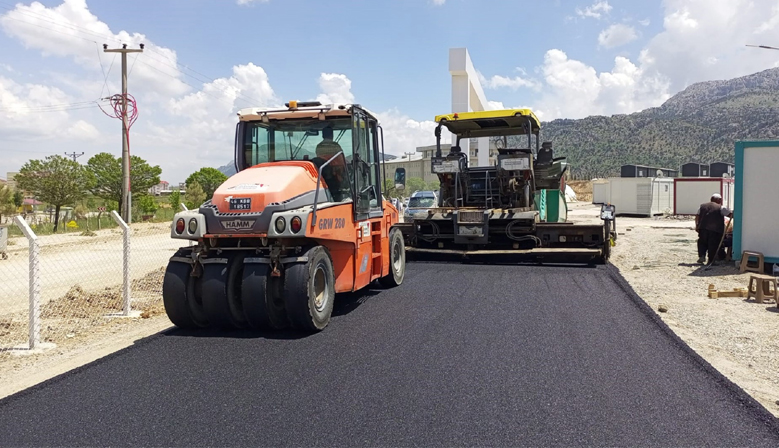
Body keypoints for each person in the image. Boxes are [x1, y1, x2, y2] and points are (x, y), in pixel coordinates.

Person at [695, 193, 732, 265]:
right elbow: (730, 215)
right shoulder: (720, 207)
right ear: (719, 200)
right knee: (713, 244)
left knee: (702, 242)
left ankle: (702, 256)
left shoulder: (702, 206)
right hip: (715, 229)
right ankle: (711, 260)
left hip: (703, 228)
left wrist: (697, 226)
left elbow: (697, 216)